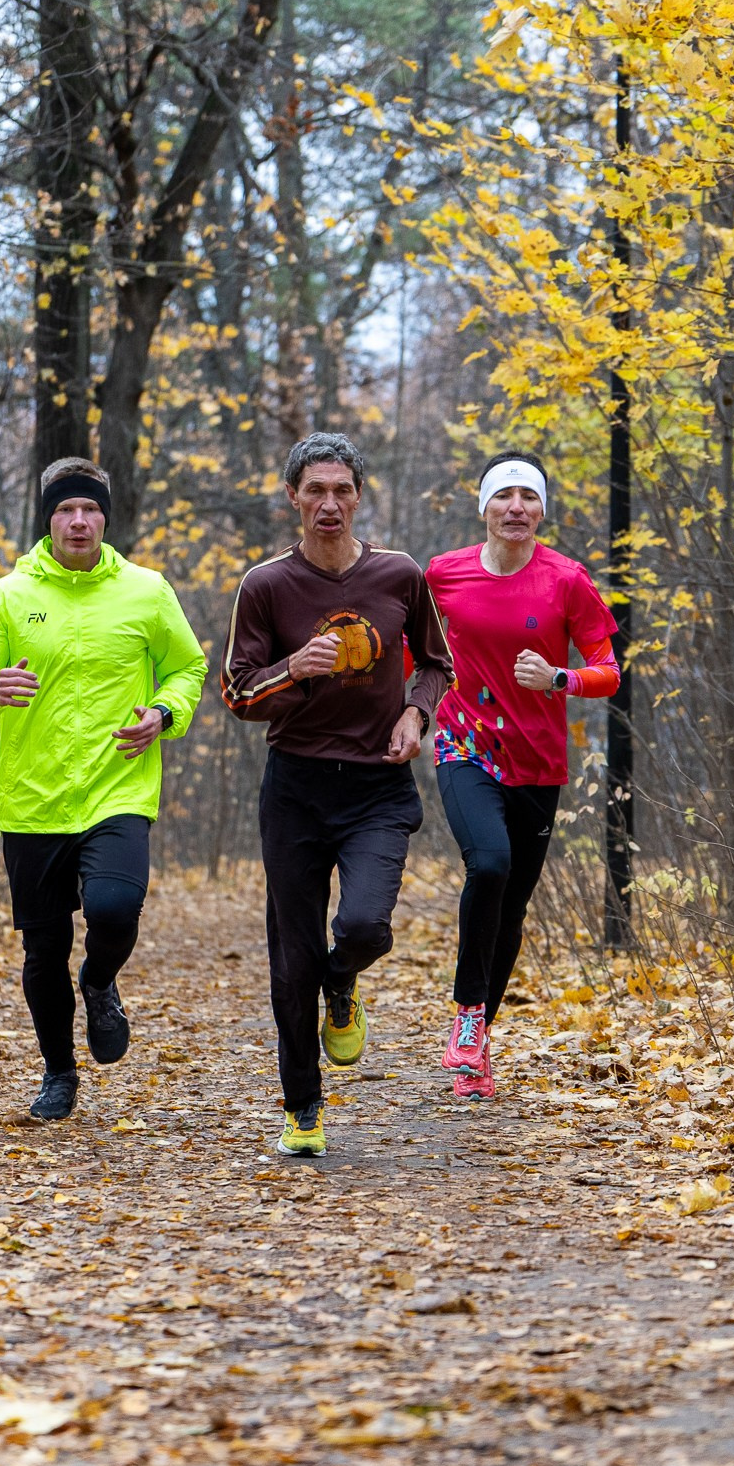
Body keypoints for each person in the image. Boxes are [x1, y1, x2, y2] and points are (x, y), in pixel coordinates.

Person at [0, 457, 208, 1122]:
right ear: (49, 518)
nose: (80, 520)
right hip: (33, 800)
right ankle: (59, 1072)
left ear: (105, 517)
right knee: (42, 947)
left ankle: (100, 980)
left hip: (117, 786)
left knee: (116, 907)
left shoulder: (147, 591)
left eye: (90, 508)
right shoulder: (7, 596)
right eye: (66, 509)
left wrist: (165, 714)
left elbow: (187, 666)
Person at [221, 432, 452, 1157]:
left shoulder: (399, 574)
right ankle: (303, 1108)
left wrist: (416, 714)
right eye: (314, 490)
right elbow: (235, 691)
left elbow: (437, 663)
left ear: (359, 496)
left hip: (378, 784)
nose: (329, 504)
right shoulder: (265, 585)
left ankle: (342, 982)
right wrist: (295, 665)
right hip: (296, 787)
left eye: (341, 490)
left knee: (361, 929)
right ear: (292, 496)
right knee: (290, 955)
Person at [425, 451, 620, 1098]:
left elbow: (607, 668)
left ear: (541, 510)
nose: (515, 507)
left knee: (510, 910)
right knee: (490, 863)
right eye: (503, 495)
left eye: (527, 497)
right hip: (463, 744)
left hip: (538, 762)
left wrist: (561, 677)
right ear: (483, 507)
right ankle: (467, 1014)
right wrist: (402, 712)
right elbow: (414, 652)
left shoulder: (567, 580)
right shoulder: (443, 574)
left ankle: (476, 1049)